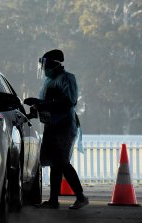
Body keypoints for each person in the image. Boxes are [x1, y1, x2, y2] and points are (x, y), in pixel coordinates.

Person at [25, 49, 89, 209]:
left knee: (62, 162)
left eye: (46, 64)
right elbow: (46, 102)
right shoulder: (49, 81)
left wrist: (41, 103)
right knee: (55, 163)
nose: (44, 69)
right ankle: (53, 200)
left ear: (54, 64)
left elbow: (68, 102)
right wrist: (35, 109)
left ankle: (81, 197)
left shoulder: (67, 79)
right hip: (52, 125)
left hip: (64, 126)